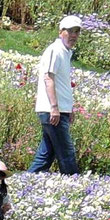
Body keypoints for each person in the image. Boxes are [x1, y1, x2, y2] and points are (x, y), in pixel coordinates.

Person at [27, 14, 81, 175]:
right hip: (52, 111)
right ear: (61, 32)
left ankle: (25, 181)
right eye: (70, 31)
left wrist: (68, 108)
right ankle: (75, 184)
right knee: (66, 154)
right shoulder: (55, 50)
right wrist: (54, 108)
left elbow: (62, 84)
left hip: (59, 111)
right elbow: (48, 78)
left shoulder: (65, 52)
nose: (74, 35)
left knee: (46, 155)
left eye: (77, 32)